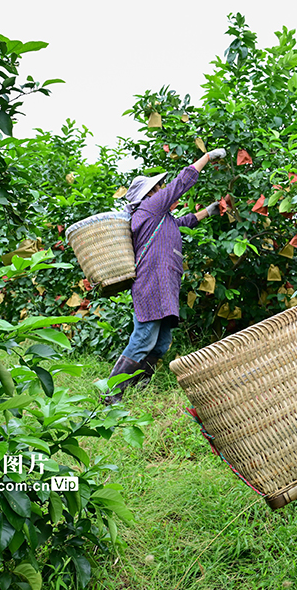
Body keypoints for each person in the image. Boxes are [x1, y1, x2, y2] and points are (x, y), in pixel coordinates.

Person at [105, 148, 227, 403]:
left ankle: (139, 389)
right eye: (158, 187)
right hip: (152, 282)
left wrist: (208, 211)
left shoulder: (160, 218)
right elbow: (180, 183)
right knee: (144, 337)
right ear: (149, 194)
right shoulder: (149, 208)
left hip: (164, 285)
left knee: (161, 342)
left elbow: (182, 223)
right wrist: (206, 158)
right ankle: (111, 395)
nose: (162, 189)